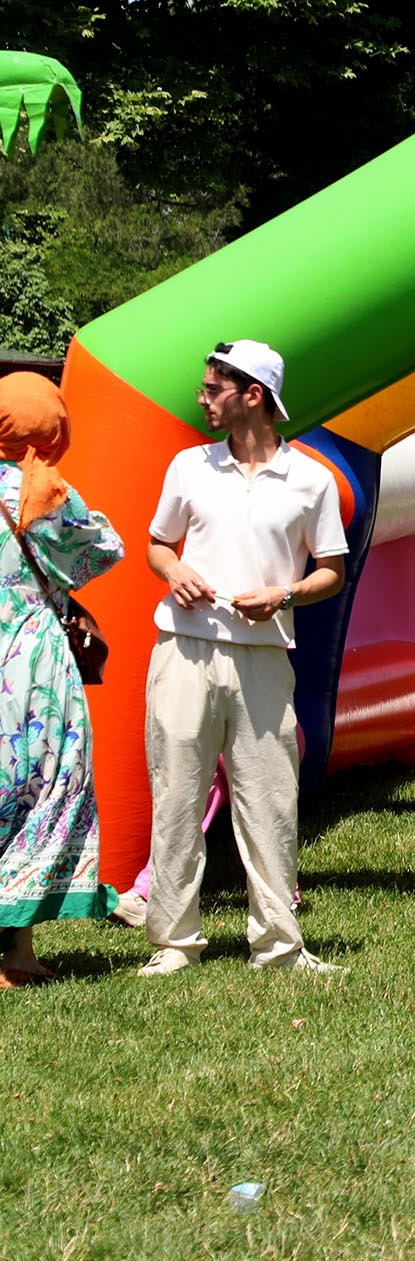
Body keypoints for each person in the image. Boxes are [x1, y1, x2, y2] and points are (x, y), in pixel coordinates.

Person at [138, 340, 348, 977]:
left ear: (252, 395)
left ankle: (281, 947)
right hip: (184, 649)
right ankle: (174, 943)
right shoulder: (188, 466)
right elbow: (156, 544)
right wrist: (175, 572)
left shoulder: (312, 479)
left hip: (263, 656)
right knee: (176, 793)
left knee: (271, 797)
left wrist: (284, 593)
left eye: (212, 389)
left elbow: (330, 571)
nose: (201, 399)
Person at [0, 372, 126, 987]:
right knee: (39, 788)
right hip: (28, 670)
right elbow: (105, 551)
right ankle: (19, 954)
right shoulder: (43, 492)